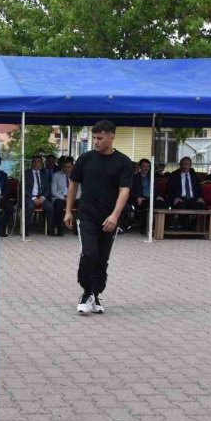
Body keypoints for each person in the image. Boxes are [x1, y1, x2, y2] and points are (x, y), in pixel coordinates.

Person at [64, 120, 133, 315]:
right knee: (89, 254)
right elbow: (73, 185)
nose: (96, 141)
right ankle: (86, 293)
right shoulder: (85, 159)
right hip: (86, 216)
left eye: (100, 138)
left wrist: (115, 215)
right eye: (94, 137)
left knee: (102, 258)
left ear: (112, 137)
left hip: (109, 218)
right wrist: (68, 210)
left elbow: (124, 190)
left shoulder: (123, 162)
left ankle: (96, 293)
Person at [166, 156, 206, 229]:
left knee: (202, 206)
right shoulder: (174, 176)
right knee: (182, 206)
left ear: (190, 165)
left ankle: (196, 228)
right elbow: (169, 190)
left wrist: (200, 198)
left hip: (193, 199)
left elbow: (199, 189)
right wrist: (175, 198)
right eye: (182, 164)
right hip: (181, 199)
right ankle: (185, 227)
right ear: (180, 165)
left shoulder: (194, 176)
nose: (184, 166)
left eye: (186, 164)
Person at [130, 158, 164, 232]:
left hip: (153, 198)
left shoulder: (152, 177)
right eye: (144, 166)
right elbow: (131, 191)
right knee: (147, 204)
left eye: (148, 166)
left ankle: (161, 228)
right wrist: (137, 197)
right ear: (140, 167)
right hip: (141, 199)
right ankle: (145, 228)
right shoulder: (135, 177)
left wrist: (158, 196)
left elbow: (156, 189)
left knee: (163, 204)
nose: (146, 168)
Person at [24, 155, 54, 235]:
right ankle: (26, 230)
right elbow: (23, 188)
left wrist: (43, 197)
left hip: (41, 197)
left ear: (41, 164)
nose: (36, 164)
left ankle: (50, 230)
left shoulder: (44, 174)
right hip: (30, 197)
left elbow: (47, 189)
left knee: (50, 206)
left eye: (38, 162)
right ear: (32, 163)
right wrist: (33, 198)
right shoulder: (26, 173)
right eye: (35, 162)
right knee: (29, 207)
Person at [50, 156, 76, 237]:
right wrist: (64, 198)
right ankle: (59, 227)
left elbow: (79, 190)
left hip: (73, 198)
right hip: (60, 197)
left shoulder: (76, 176)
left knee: (83, 204)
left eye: (69, 167)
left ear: (73, 167)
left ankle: (77, 227)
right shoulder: (55, 175)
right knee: (58, 204)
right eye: (64, 167)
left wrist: (72, 198)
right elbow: (53, 191)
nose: (66, 169)